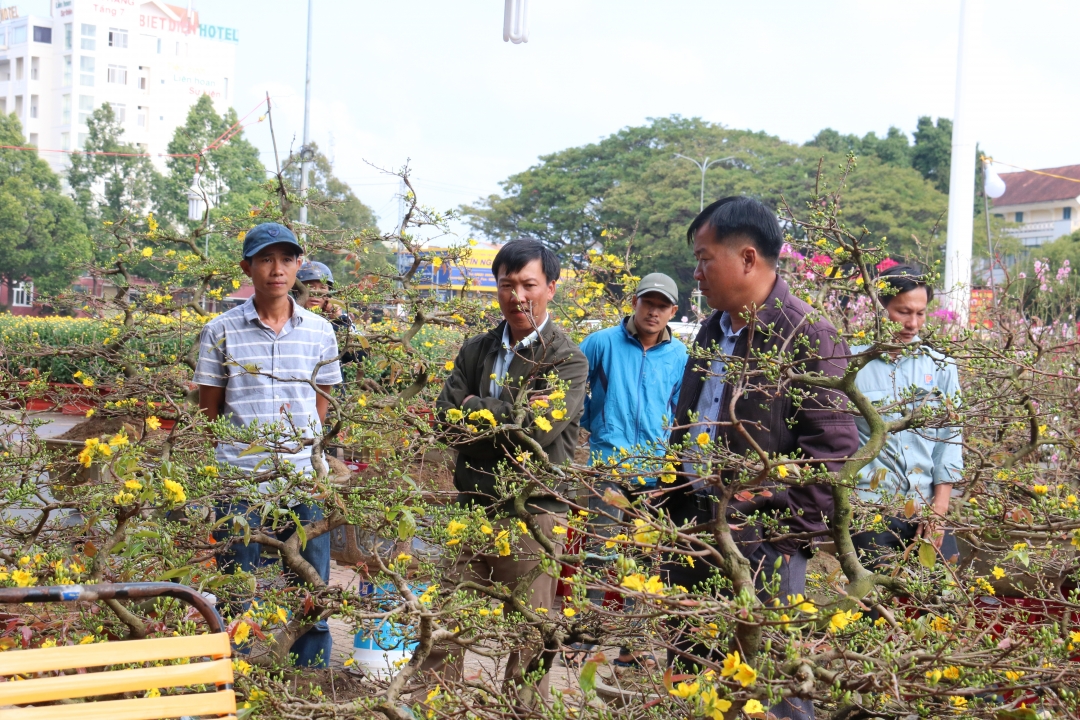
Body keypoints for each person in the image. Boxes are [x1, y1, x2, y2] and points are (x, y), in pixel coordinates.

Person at [663, 197, 860, 720]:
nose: (697, 273)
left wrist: (784, 537)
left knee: (770, 687)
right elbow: (691, 421)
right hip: (696, 527)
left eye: (705, 258)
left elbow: (834, 453)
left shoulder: (805, 333)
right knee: (696, 675)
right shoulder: (713, 328)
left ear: (747, 259)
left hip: (762, 543)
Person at [426, 239, 588, 699]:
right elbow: (444, 422)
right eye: (507, 284)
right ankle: (430, 706)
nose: (518, 296)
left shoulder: (566, 359)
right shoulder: (475, 349)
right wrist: (505, 412)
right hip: (473, 506)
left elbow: (537, 433)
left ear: (551, 288)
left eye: (529, 284)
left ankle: (524, 711)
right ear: (496, 288)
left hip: (532, 512)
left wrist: (475, 407)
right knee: (442, 626)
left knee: (529, 638)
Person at [194, 222, 343, 668]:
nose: (276, 269)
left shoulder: (320, 331)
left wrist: (304, 449)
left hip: (302, 478)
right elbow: (209, 412)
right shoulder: (219, 330)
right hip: (239, 479)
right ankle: (232, 673)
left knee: (310, 585)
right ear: (247, 268)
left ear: (298, 265)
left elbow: (323, 400)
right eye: (265, 259)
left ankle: (310, 675)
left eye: (285, 259)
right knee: (236, 584)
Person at [574, 272, 688, 668]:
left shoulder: (679, 356)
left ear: (673, 311)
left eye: (662, 306)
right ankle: (584, 637)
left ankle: (633, 646)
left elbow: (679, 411)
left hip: (655, 472)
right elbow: (572, 385)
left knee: (643, 560)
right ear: (635, 302)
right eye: (647, 303)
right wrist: (593, 425)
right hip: (608, 464)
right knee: (599, 552)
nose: (653, 312)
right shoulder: (602, 342)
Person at [851, 265, 962, 565]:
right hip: (869, 511)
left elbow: (949, 442)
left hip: (925, 506)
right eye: (903, 312)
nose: (912, 323)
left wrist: (938, 513)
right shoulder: (851, 364)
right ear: (880, 307)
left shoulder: (941, 366)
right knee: (874, 605)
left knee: (944, 599)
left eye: (921, 313)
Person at [296, 260, 364, 366]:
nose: (317, 292)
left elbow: (359, 356)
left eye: (323, 288)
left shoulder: (340, 320)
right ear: (297, 290)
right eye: (310, 287)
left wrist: (338, 320)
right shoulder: (289, 317)